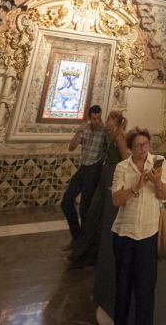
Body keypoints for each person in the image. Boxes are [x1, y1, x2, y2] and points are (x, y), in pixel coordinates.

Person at [111, 127, 166, 325]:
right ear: (130, 148)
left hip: (148, 234)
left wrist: (156, 182)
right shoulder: (122, 167)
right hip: (124, 233)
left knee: (146, 289)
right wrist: (136, 186)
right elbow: (116, 200)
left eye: (144, 144)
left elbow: (164, 195)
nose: (141, 149)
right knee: (123, 287)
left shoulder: (158, 163)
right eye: (137, 145)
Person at [69, 110, 130, 268]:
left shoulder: (119, 136)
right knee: (94, 211)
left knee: (99, 211)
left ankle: (94, 250)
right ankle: (86, 249)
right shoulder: (111, 134)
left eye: (108, 118)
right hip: (105, 175)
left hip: (112, 177)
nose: (105, 120)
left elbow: (124, 160)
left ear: (115, 121)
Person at [61, 104, 108, 249]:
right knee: (66, 202)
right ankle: (77, 236)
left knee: (85, 208)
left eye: (99, 118)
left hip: (94, 170)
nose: (96, 121)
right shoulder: (85, 128)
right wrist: (77, 133)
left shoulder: (104, 131)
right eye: (94, 118)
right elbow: (71, 147)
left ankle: (84, 243)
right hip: (83, 168)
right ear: (89, 117)